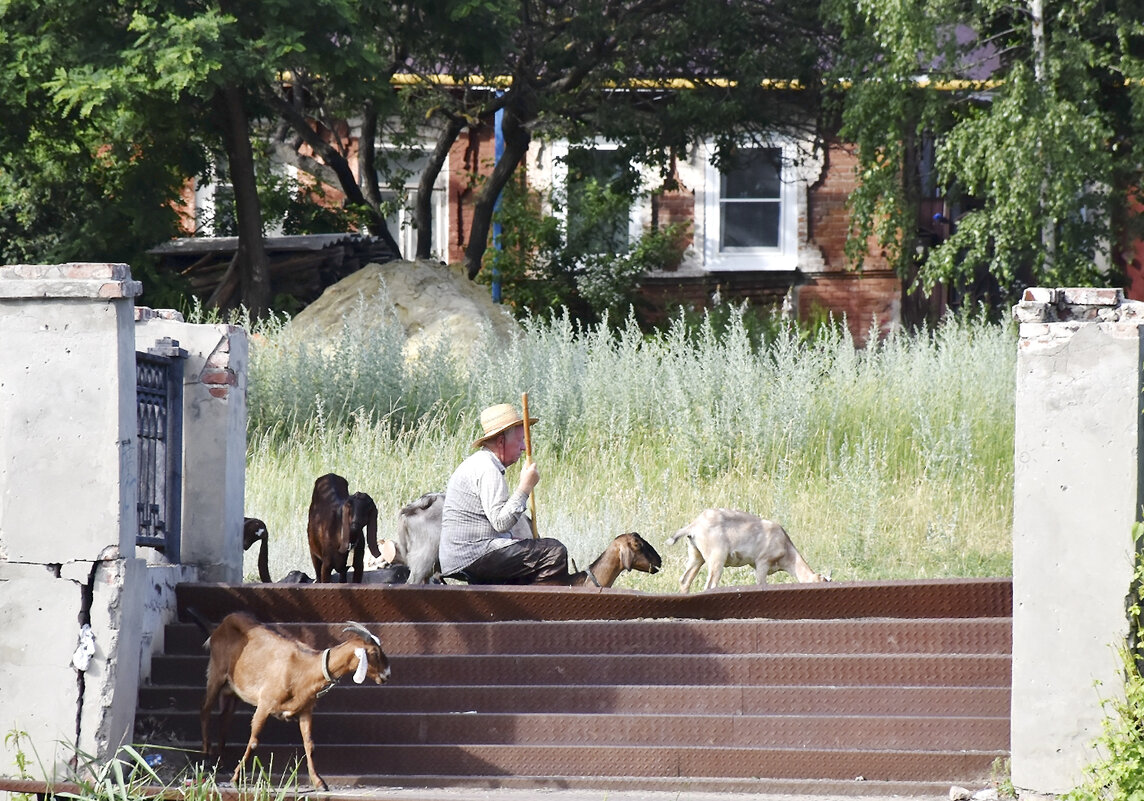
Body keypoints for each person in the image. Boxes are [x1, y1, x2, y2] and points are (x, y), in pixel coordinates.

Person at [438, 402, 572, 585]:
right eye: (520, 440)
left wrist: (509, 541)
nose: (524, 447)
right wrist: (525, 487)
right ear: (501, 442)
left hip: (463, 554)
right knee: (554, 551)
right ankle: (540, 606)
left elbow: (492, 526)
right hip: (473, 555)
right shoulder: (488, 469)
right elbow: (501, 522)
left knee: (527, 549)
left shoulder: (480, 463)